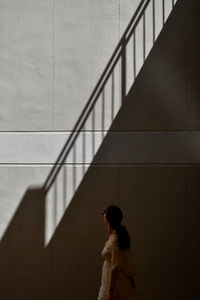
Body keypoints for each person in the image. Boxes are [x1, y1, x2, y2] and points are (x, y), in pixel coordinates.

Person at [98, 205, 138, 300]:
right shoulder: (114, 235)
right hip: (108, 280)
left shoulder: (115, 239)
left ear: (108, 218)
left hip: (116, 282)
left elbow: (115, 266)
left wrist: (111, 291)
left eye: (106, 213)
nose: (104, 214)